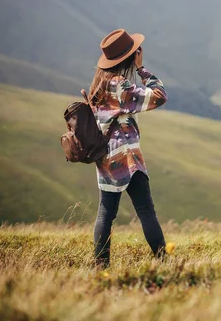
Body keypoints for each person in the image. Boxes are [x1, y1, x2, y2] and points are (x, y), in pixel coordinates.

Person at [88, 28, 168, 268]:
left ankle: (101, 266)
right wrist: (142, 69)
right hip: (127, 158)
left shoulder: (98, 86)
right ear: (129, 57)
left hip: (106, 159)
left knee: (105, 214)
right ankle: (163, 261)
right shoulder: (120, 86)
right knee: (146, 210)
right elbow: (159, 96)